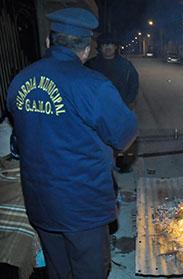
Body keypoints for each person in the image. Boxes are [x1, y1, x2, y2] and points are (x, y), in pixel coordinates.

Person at [6, 8, 138, 278]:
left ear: (48, 42)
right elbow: (125, 135)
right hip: (82, 207)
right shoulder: (93, 86)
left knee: (58, 270)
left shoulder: (19, 81)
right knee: (90, 271)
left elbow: (18, 142)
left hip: (40, 203)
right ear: (88, 49)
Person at [87, 33, 140, 173]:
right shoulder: (91, 65)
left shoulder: (125, 65)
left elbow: (134, 84)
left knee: (123, 138)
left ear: (116, 47)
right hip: (96, 110)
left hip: (120, 108)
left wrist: (128, 102)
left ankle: (123, 165)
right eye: (104, 45)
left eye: (111, 45)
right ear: (100, 48)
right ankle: (101, 165)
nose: (108, 48)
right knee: (100, 140)